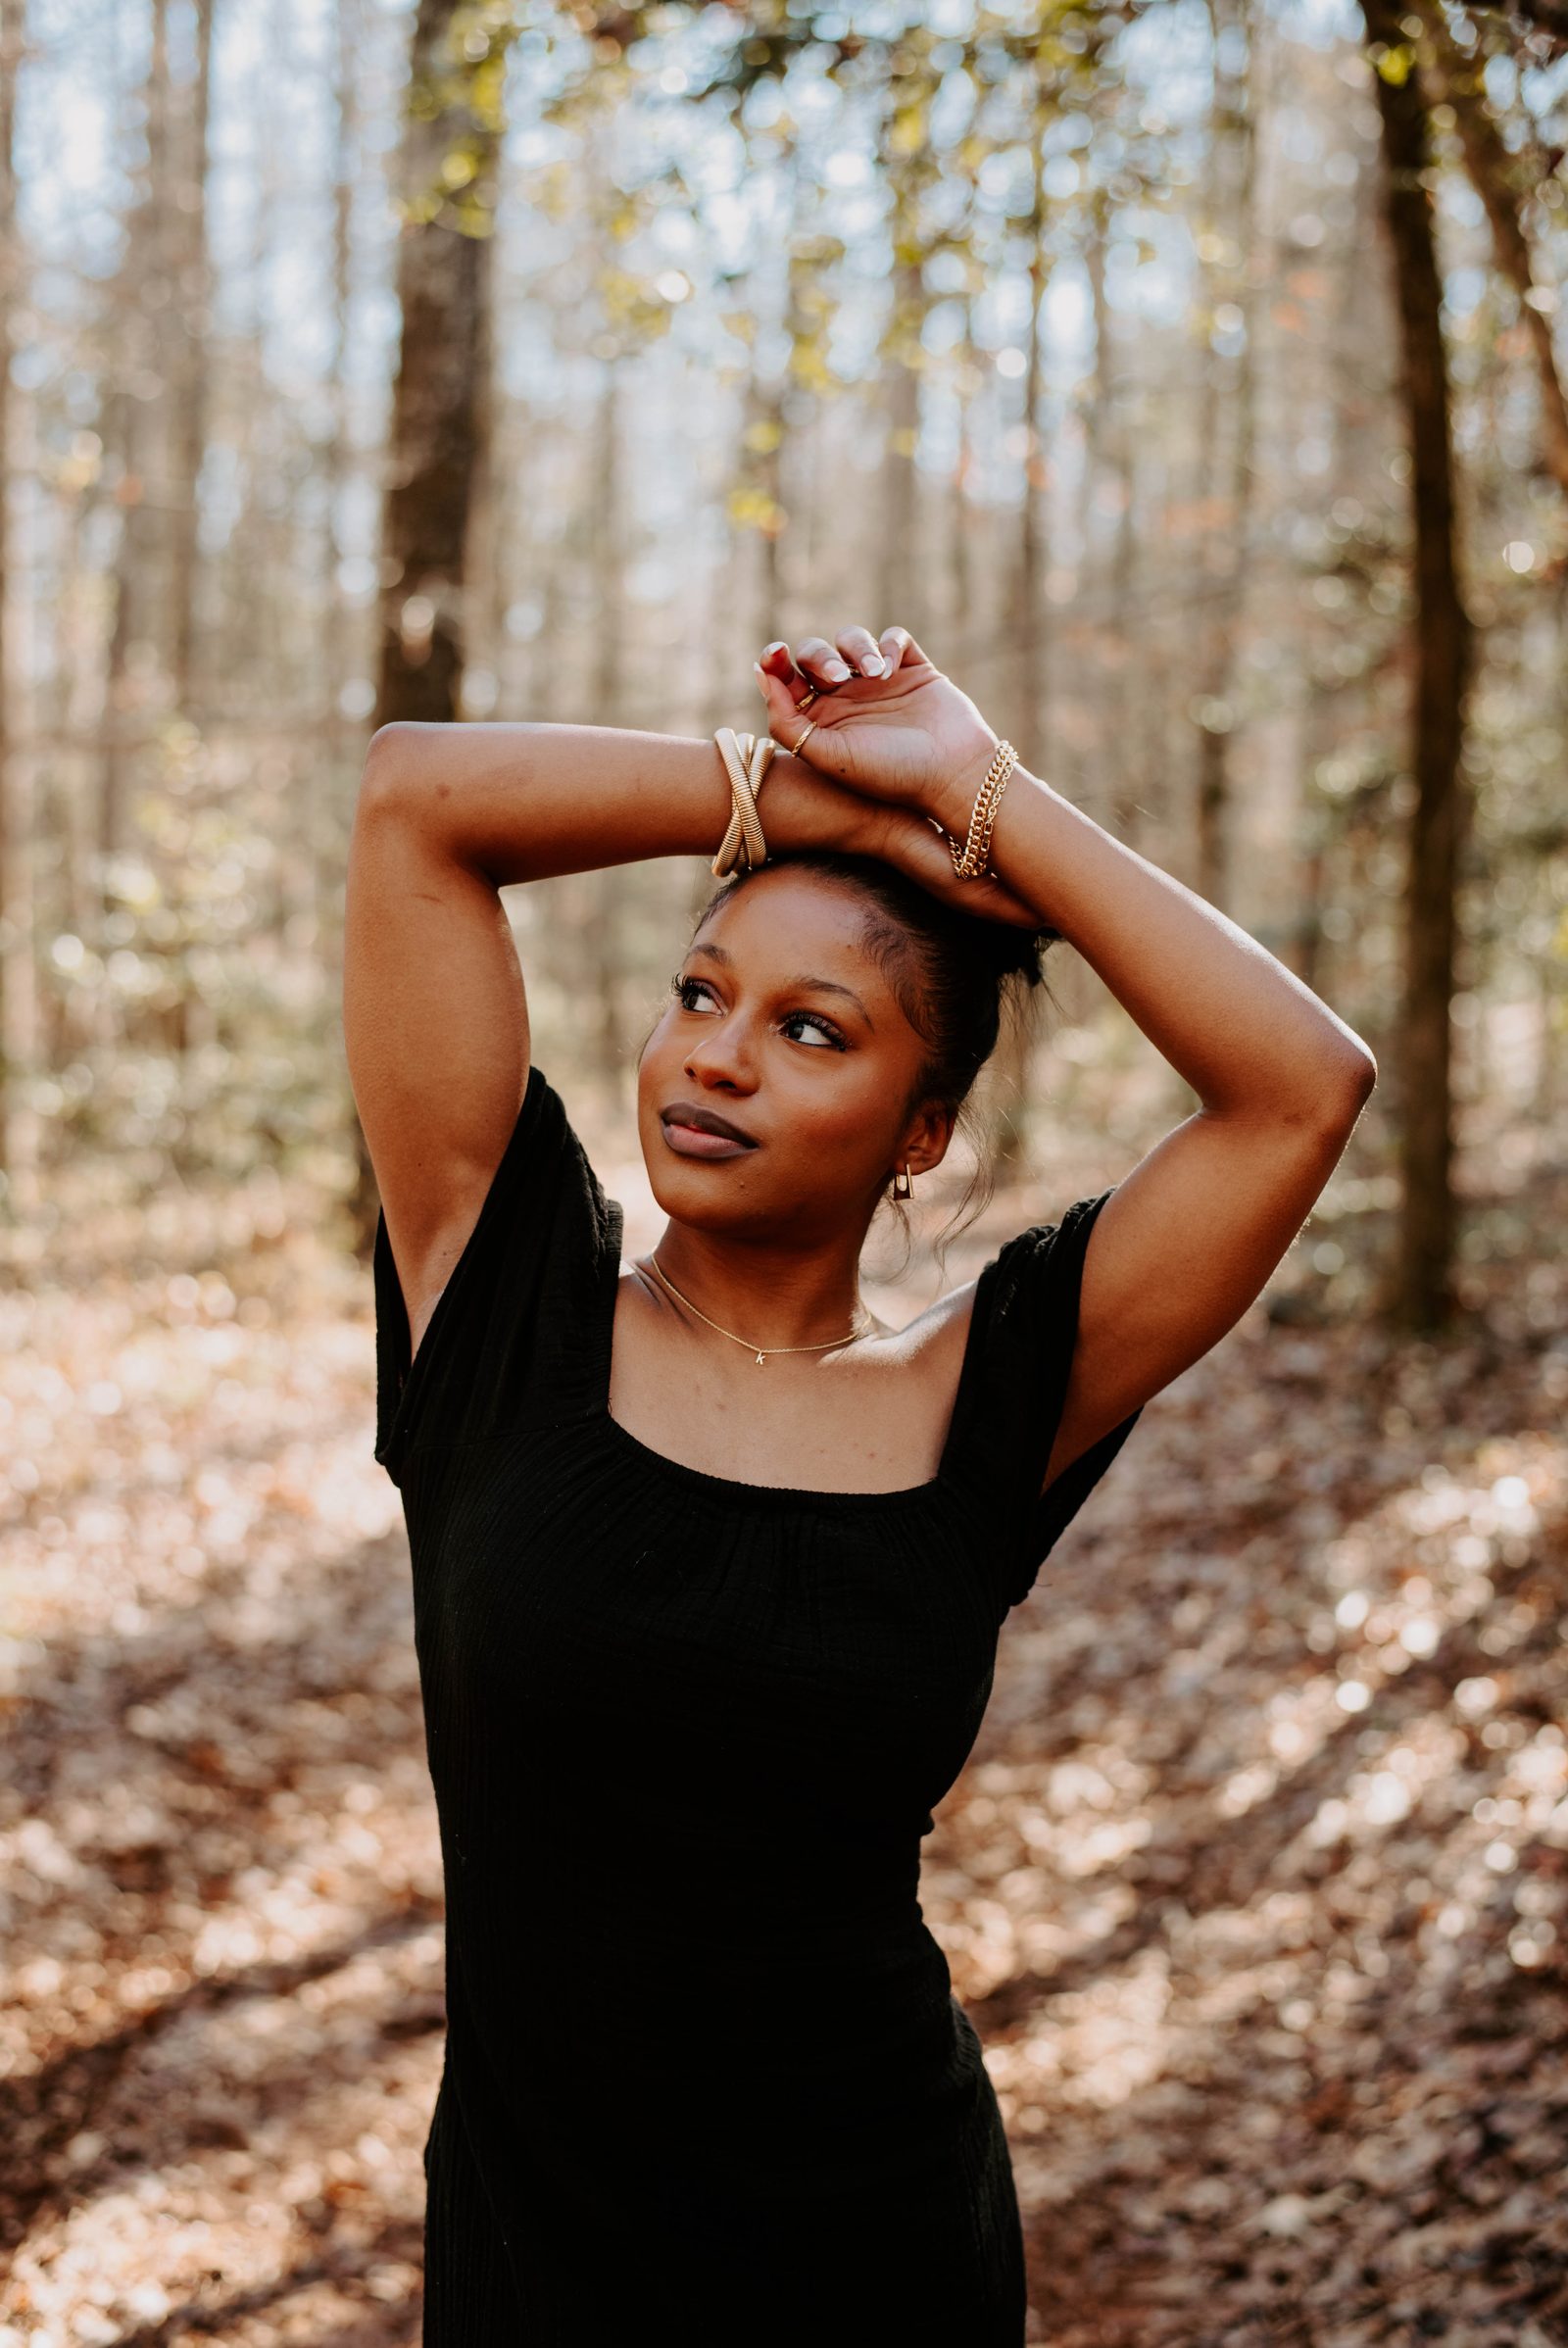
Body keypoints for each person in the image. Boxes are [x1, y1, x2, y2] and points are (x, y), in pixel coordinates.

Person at [342, 620, 1375, 2343]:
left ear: (920, 1137)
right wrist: (783, 794)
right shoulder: (502, 1312)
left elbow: (1300, 1088)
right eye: (698, 993)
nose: (716, 1058)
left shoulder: (992, 1394)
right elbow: (415, 801)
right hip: (546, 2265)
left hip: (885, 2252)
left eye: (813, 1031)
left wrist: (978, 796)